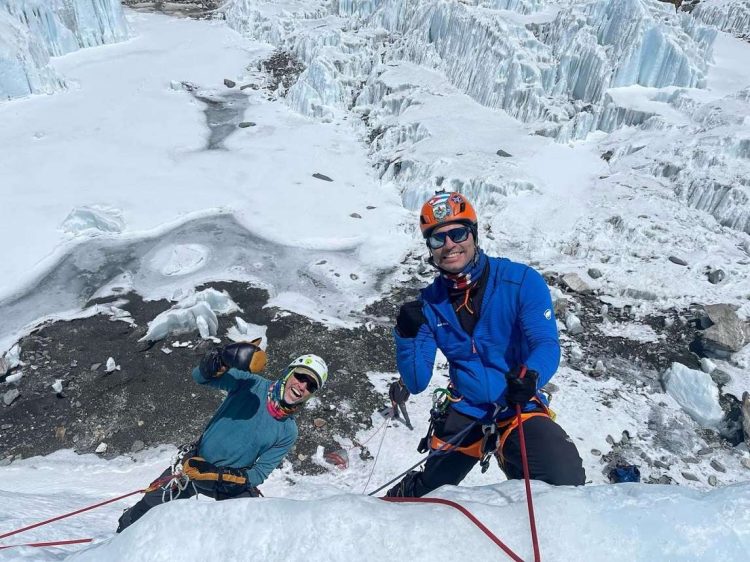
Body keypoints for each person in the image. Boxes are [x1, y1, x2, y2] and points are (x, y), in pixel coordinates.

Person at [386, 190, 585, 498]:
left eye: (458, 233)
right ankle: (402, 497)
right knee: (427, 494)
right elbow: (416, 381)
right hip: (466, 407)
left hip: (517, 402)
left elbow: (545, 343)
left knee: (562, 479)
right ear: (430, 249)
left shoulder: (520, 281)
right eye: (438, 239)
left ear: (473, 234)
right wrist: (406, 336)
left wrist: (531, 375)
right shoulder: (429, 305)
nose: (450, 244)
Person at [117, 339, 328, 532]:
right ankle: (117, 541)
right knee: (143, 512)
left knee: (249, 532)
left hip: (230, 482)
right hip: (192, 464)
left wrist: (219, 475)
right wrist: (222, 358)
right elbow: (200, 377)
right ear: (288, 373)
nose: (302, 386)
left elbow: (260, 473)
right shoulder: (252, 384)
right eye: (301, 377)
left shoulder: (288, 431)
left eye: (311, 385)